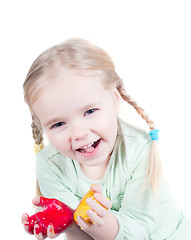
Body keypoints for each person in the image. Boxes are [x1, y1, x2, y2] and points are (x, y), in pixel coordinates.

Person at [21, 38, 191, 240]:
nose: (79, 133)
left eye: (90, 111)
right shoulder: (49, 164)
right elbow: (80, 235)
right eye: (58, 124)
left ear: (114, 99)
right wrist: (67, 223)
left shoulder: (139, 148)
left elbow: (141, 231)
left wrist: (104, 226)